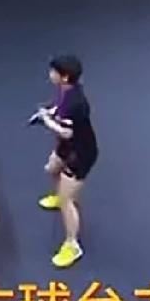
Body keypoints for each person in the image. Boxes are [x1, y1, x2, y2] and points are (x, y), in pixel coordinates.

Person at [33, 55, 98, 268]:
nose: (50, 74)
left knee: (67, 200)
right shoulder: (66, 90)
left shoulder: (77, 103)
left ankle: (72, 245)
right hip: (66, 147)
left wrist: (45, 121)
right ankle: (59, 195)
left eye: (54, 72)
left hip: (80, 154)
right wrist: (49, 111)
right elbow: (58, 108)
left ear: (65, 77)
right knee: (51, 168)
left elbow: (66, 132)